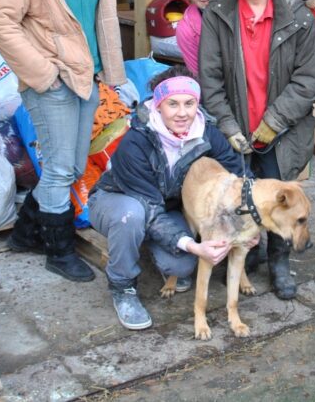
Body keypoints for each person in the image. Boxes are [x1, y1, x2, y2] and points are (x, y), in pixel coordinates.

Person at [0, 0, 126, 282]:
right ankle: (59, 250)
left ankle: (26, 233)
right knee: (61, 168)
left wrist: (111, 73)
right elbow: (0, 22)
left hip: (88, 76)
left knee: (72, 162)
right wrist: (42, 72)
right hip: (52, 80)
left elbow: (104, 15)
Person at [198, 0, 315, 300]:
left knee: (279, 192)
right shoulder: (219, 12)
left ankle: (280, 261)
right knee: (242, 198)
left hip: (281, 128)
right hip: (237, 123)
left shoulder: (298, 15)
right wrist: (228, 124)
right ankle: (245, 256)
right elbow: (210, 77)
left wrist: (274, 122)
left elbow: (307, 78)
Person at [88, 67, 248, 330]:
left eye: (189, 103)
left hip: (166, 208)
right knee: (133, 217)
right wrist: (194, 246)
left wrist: (247, 221)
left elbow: (238, 175)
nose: (182, 113)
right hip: (119, 202)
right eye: (172, 104)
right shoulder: (136, 142)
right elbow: (149, 209)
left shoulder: (207, 133)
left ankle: (152, 246)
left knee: (182, 266)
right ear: (158, 105)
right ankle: (122, 286)